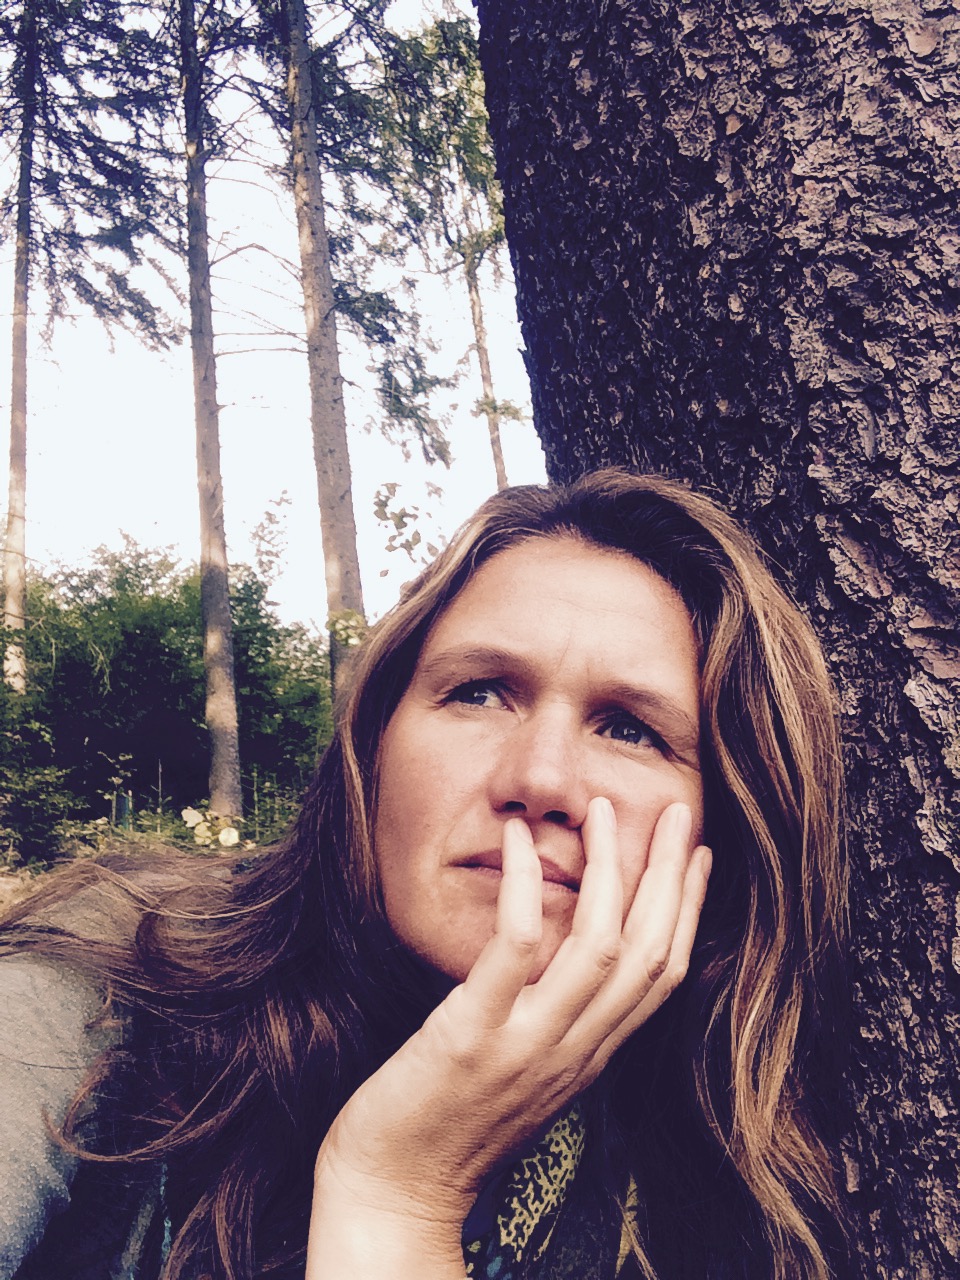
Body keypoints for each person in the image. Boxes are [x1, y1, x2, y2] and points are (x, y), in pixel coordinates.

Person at [0, 470, 850, 1280]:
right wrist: (401, 1192)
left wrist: (392, 1199)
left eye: (630, 729)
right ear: (373, 746)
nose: (540, 779)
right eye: (479, 692)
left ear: (723, 829)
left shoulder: (703, 1172)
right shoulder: (96, 995)